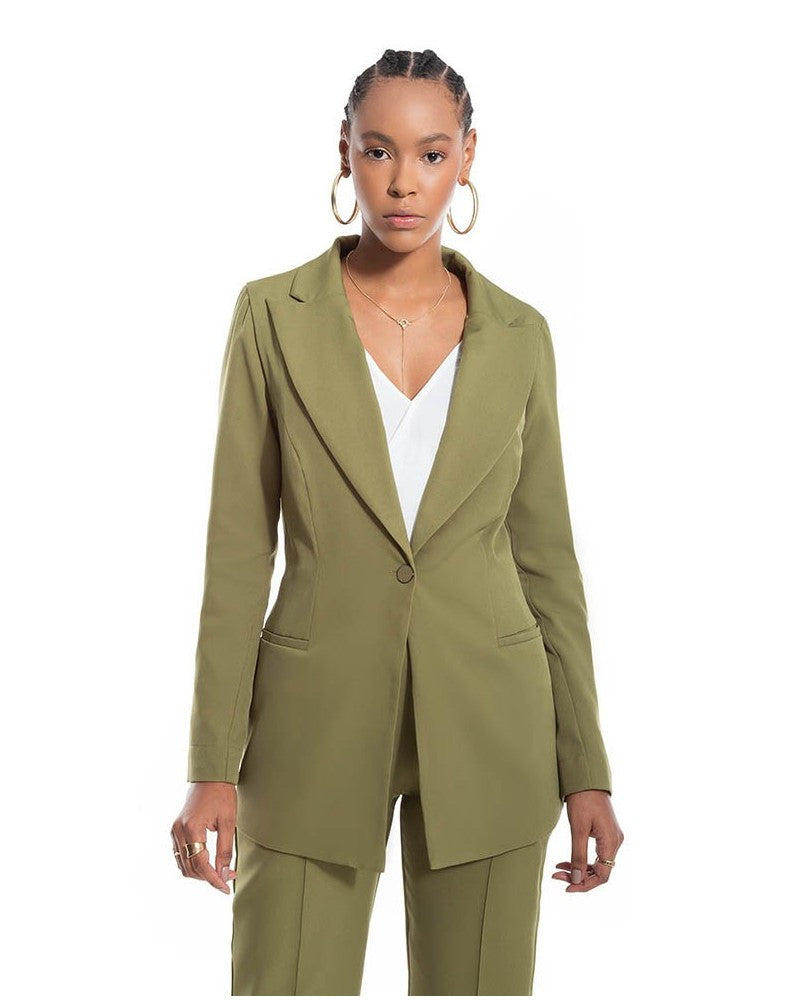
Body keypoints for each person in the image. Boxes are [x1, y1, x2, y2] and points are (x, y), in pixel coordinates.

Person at [171, 47, 624, 996]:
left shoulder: (521, 336)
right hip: (311, 723)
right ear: (344, 151)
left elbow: (548, 560)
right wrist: (212, 764)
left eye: (431, 153)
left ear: (468, 157)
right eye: (378, 150)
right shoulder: (272, 317)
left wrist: (587, 767)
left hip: (495, 722)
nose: (403, 182)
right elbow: (237, 554)